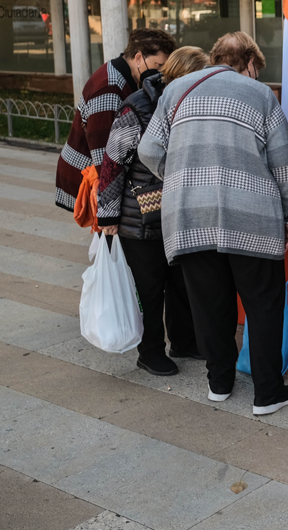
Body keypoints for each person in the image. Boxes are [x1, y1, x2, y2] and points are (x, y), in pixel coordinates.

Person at [138, 32, 288, 415]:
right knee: (263, 305)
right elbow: (284, 164)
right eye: (255, 69)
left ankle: (219, 383)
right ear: (249, 62)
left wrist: (181, 175)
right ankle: (267, 393)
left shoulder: (175, 91)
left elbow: (148, 150)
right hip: (252, 216)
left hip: (190, 216)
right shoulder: (260, 95)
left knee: (209, 304)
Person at [97, 47, 208, 376]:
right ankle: (150, 351)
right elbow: (113, 162)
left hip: (177, 212)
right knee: (149, 287)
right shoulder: (138, 105)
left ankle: (184, 341)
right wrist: (108, 216)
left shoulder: (191, 104)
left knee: (181, 282)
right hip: (140, 215)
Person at [56, 29, 175, 211]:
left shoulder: (125, 75)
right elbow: (105, 160)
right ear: (138, 58)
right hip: (85, 177)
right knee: (105, 235)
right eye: (159, 65)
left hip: (93, 176)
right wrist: (110, 212)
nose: (161, 73)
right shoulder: (110, 89)